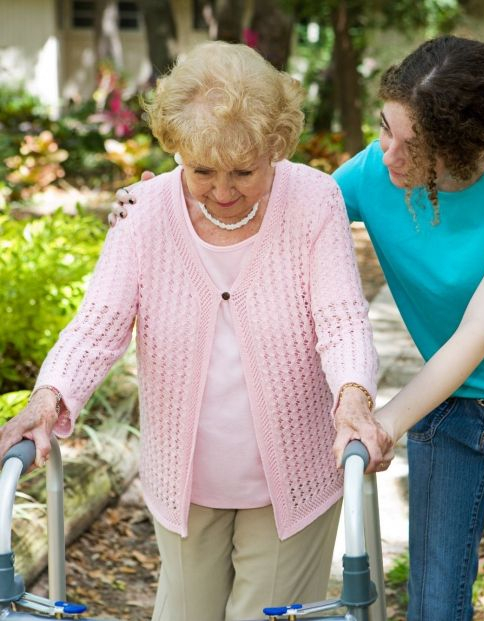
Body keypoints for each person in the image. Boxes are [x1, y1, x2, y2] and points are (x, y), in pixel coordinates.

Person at [109, 35, 484, 620]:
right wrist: (163, 202)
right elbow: (280, 203)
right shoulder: (375, 172)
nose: (388, 154)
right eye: (383, 128)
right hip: (450, 407)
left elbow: (479, 332)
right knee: (433, 603)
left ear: (464, 145)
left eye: (412, 145)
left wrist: (381, 421)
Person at [0, 41, 393, 621]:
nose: (224, 190)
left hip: (294, 475)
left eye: (244, 170)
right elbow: (97, 326)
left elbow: (340, 319)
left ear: (276, 147)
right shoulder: (145, 213)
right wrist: (47, 396)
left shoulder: (314, 200)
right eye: (202, 169)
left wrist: (354, 398)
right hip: (183, 482)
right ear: (175, 148)